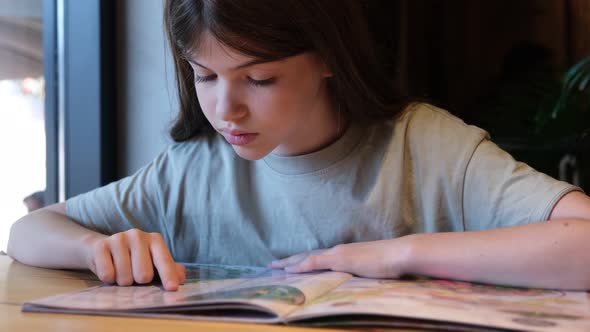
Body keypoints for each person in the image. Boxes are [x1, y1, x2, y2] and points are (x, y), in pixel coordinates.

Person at [7, 0, 590, 292]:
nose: (225, 109)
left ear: (330, 59)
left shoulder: (425, 146)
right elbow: (27, 231)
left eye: (260, 80)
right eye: (204, 76)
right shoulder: (188, 173)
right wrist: (93, 250)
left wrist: (405, 253)